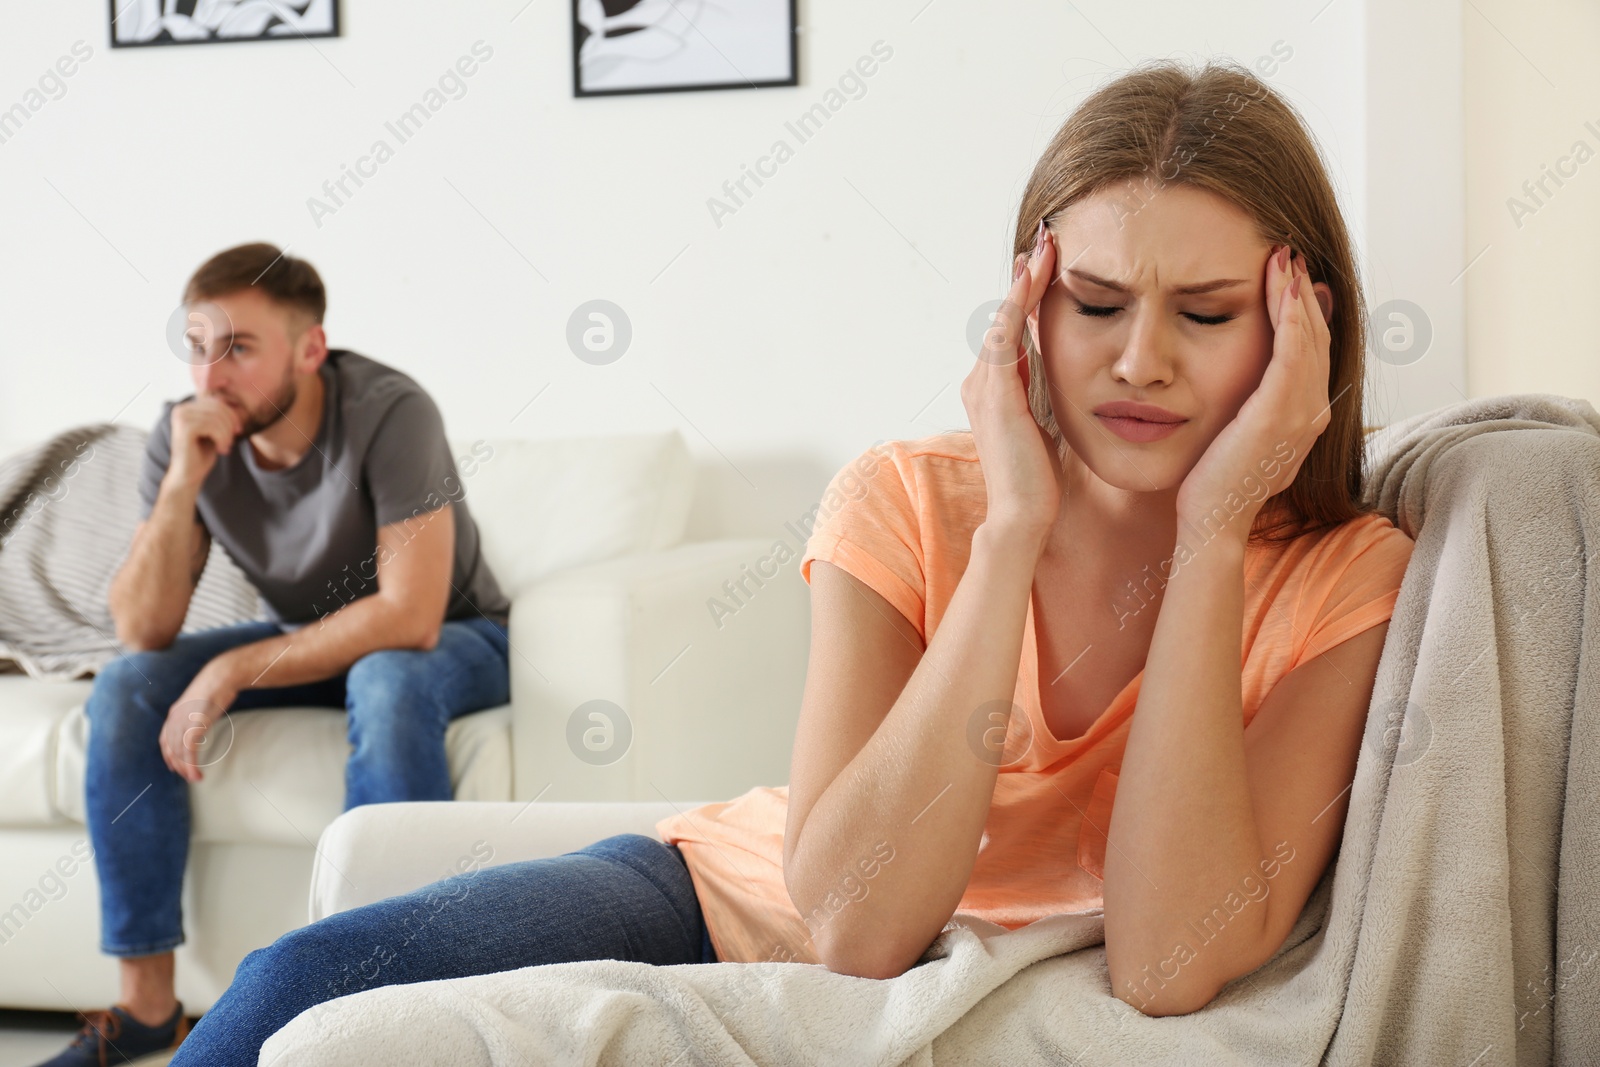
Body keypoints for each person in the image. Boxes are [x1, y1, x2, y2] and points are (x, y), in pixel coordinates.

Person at [164, 58, 1414, 1064]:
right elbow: (854, 922)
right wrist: (1011, 533)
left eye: (1203, 314)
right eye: (1092, 303)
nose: (1139, 359)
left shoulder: (1347, 578)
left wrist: (1211, 535)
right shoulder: (910, 493)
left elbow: (1162, 960)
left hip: (975, 966)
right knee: (300, 984)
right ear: (1028, 306)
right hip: (721, 903)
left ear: (1301, 331)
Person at [37, 243, 512, 1066]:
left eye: (238, 349)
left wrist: (227, 670)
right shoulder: (183, 436)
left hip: (458, 639)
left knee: (388, 677)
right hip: (317, 645)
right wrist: (182, 484)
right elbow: (142, 631)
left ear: (310, 349)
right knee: (126, 687)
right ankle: (147, 1010)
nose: (210, 376)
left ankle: (398, 1001)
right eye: (195, 346)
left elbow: (410, 614)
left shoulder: (391, 411)